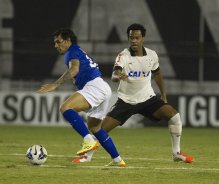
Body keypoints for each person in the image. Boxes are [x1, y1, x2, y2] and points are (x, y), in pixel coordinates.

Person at [80, 23, 193, 164]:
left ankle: (176, 153)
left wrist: (163, 95)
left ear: (143, 38)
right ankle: (87, 156)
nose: (134, 40)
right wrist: (118, 76)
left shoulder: (152, 55)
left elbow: (157, 74)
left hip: (147, 99)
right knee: (101, 129)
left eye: (137, 38)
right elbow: (115, 73)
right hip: (126, 101)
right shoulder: (123, 56)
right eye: (131, 38)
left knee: (174, 116)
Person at [37, 28, 126, 166]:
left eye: (58, 42)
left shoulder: (71, 52)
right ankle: (117, 160)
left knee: (65, 108)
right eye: (54, 42)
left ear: (67, 41)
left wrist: (55, 84)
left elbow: (74, 69)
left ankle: (88, 141)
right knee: (95, 128)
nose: (56, 45)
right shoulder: (77, 50)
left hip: (94, 86)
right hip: (102, 86)